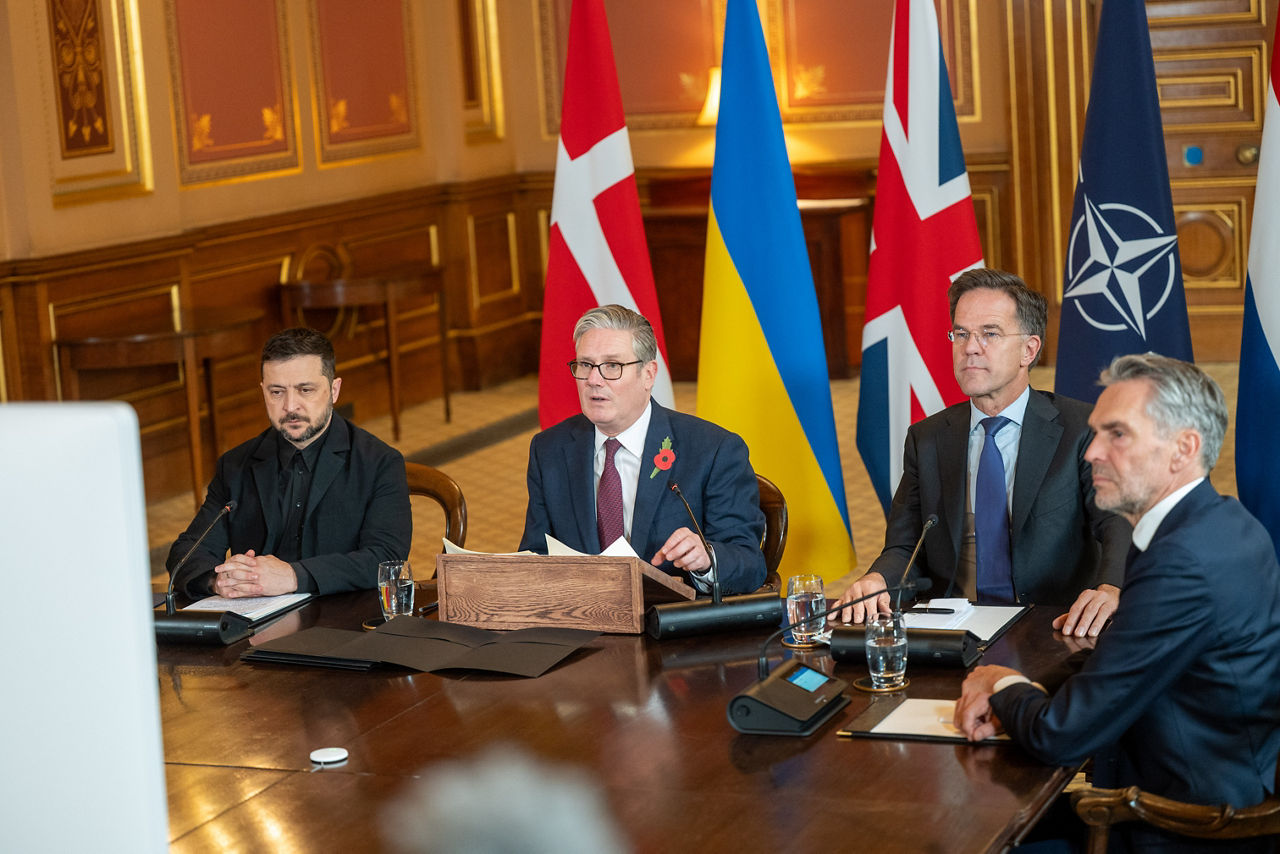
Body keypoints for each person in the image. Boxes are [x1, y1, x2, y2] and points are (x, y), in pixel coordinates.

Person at [955, 354, 1280, 853]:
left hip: (1187, 824)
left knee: (964, 826)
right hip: (1215, 777)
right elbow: (1129, 659)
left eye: (1117, 435)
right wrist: (1030, 687)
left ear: (1183, 448)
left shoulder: (1183, 562)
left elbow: (1060, 737)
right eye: (1095, 433)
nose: (1091, 454)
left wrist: (1000, 683)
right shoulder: (1221, 523)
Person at [837, 268, 1130, 636]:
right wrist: (878, 578)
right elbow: (906, 543)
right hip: (953, 627)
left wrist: (1111, 587)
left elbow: (1116, 522)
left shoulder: (1081, 428)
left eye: (989, 334)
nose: (970, 347)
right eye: (961, 334)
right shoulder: (927, 438)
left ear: (1029, 349)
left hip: (1053, 623)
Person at [519, 304, 766, 594]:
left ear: (649, 374)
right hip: (583, 623)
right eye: (585, 365)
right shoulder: (550, 449)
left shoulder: (713, 451)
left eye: (612, 366)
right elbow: (536, 555)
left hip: (670, 627)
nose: (593, 380)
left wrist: (706, 559)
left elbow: (750, 563)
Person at [166, 327, 411, 599]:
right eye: (277, 392)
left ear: (334, 390)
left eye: (305, 390)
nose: (290, 406)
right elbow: (187, 551)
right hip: (254, 624)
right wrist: (216, 581)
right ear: (263, 391)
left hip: (341, 621)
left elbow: (386, 559)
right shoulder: (235, 466)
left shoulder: (379, 463)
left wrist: (294, 576)